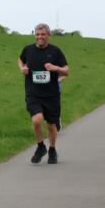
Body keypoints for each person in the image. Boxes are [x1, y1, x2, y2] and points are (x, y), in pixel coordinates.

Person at [18, 23, 69, 164]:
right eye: (37, 34)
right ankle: (41, 147)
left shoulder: (56, 52)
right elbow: (20, 59)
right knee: (36, 120)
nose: (39, 37)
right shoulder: (28, 50)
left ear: (48, 36)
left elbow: (66, 71)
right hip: (33, 94)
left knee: (51, 125)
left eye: (43, 35)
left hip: (51, 95)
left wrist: (55, 68)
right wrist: (22, 68)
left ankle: (52, 149)